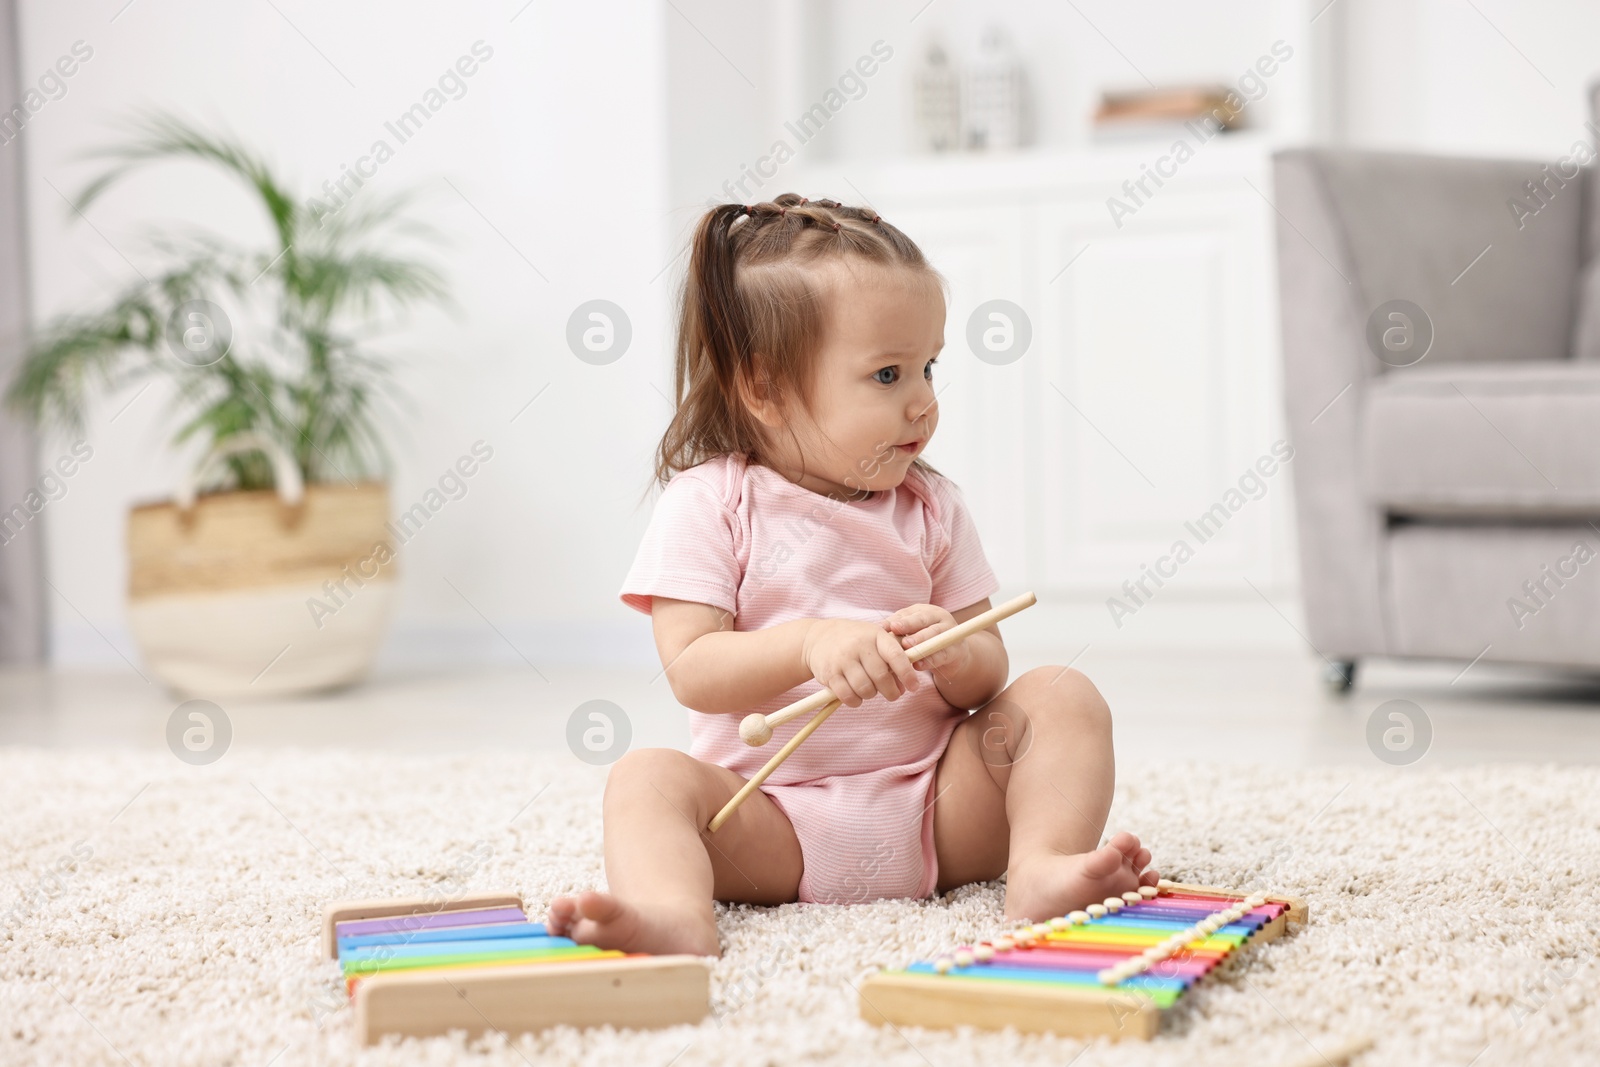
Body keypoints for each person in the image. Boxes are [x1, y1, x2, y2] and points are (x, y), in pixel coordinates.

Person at [547, 194, 1157, 956]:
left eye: (929, 367)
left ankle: (1037, 868)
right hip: (769, 819)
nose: (924, 401)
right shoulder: (711, 501)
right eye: (888, 374)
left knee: (1061, 696)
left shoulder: (931, 506)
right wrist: (808, 644)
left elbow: (988, 671)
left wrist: (958, 651)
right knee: (644, 779)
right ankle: (673, 913)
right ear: (763, 388)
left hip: (938, 805)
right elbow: (693, 668)